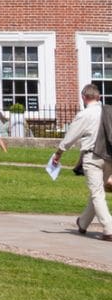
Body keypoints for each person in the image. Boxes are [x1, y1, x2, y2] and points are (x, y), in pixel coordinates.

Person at [55, 84, 110, 239]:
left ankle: (108, 228)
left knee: (97, 193)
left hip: (92, 157)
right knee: (97, 193)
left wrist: (58, 153)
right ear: (99, 97)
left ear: (84, 97)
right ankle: (83, 222)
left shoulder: (85, 115)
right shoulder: (109, 112)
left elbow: (70, 137)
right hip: (109, 157)